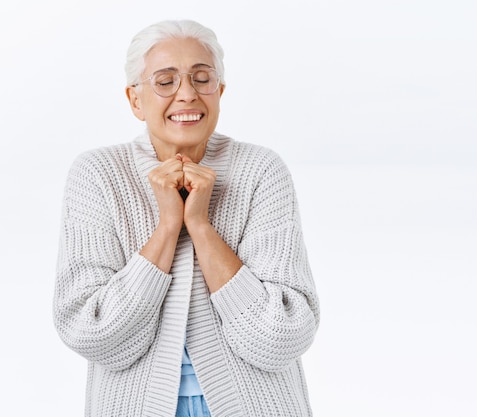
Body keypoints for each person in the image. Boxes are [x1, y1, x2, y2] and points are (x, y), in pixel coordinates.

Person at [53, 19, 320, 417]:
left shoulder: (261, 170)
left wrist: (200, 225)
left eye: (202, 78)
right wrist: (167, 226)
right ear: (135, 100)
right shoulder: (97, 174)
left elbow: (283, 335)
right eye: (165, 81)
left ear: (220, 92)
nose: (186, 95)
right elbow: (91, 332)